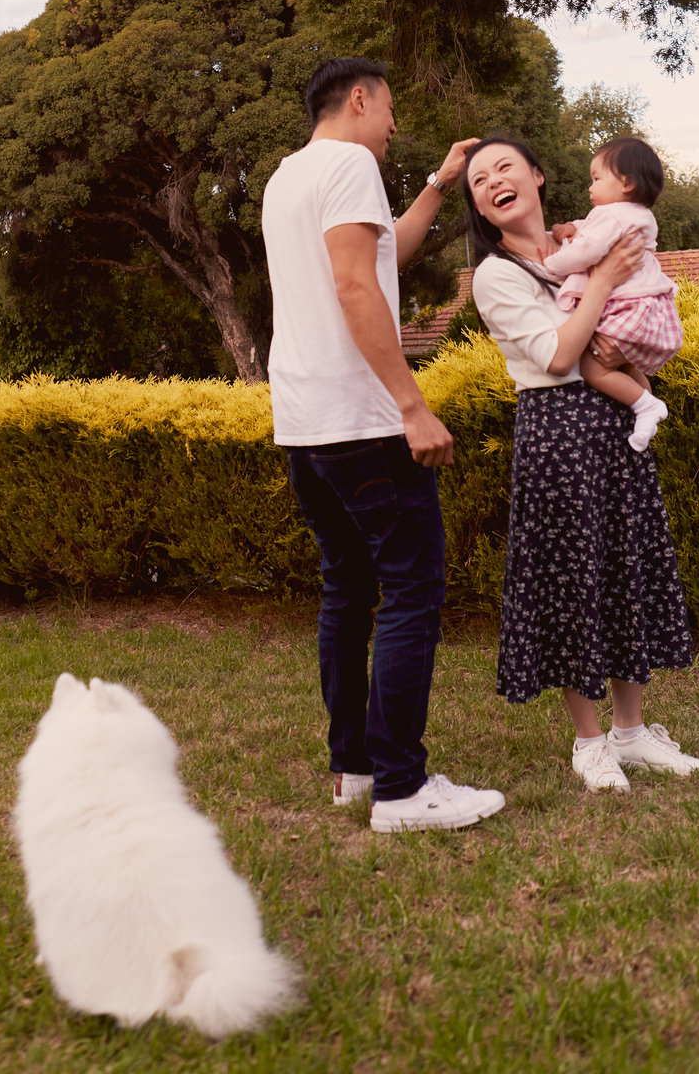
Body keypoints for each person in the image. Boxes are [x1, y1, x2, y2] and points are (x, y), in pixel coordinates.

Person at [261, 58, 505, 833]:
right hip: (362, 419)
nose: (395, 125)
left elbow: (379, 258)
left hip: (304, 423)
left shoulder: (287, 178)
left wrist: (437, 183)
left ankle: (356, 770)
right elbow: (355, 287)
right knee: (412, 587)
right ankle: (402, 789)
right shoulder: (351, 165)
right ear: (359, 100)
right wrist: (411, 404)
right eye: (391, 109)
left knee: (347, 588)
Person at [464, 135, 699, 793]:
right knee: (572, 580)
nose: (494, 181)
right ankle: (590, 742)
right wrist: (600, 283)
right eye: (480, 180)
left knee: (624, 567)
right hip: (558, 432)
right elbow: (562, 354)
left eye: (506, 167)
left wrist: (622, 340)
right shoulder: (497, 274)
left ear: (537, 176)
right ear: (480, 208)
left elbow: (626, 328)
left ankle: (631, 732)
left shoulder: (586, 238)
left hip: (614, 424)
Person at [543, 137, 682, 453]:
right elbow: (593, 229)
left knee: (594, 368)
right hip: (649, 306)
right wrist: (572, 227)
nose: (590, 187)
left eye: (596, 178)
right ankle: (646, 411)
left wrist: (551, 263)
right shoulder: (636, 214)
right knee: (626, 365)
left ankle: (647, 406)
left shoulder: (612, 216)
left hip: (629, 307)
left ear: (627, 183)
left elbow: (586, 251)